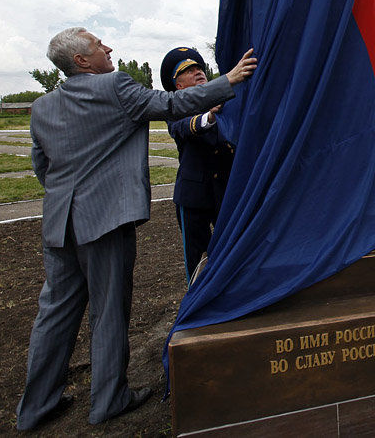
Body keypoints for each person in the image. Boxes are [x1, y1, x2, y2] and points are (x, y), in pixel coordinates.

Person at [17, 28, 256, 429]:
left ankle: (35, 407)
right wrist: (228, 80)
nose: (108, 48)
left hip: (59, 224)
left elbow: (42, 165)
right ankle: (108, 400)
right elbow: (171, 103)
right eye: (98, 45)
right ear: (82, 61)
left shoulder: (42, 106)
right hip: (105, 222)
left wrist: (67, 200)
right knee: (109, 310)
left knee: (55, 314)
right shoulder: (113, 86)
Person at [160, 47, 236, 286]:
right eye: (188, 71)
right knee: (197, 259)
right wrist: (210, 116)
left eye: (199, 68)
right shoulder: (174, 108)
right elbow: (182, 128)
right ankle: (197, 304)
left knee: (231, 251)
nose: (197, 72)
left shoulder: (226, 98)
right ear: (178, 86)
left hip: (226, 191)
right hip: (195, 197)